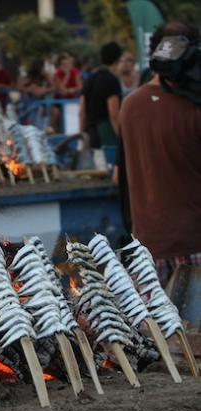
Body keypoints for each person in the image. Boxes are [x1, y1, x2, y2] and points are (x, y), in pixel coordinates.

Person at [118, 22, 201, 284]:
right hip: (192, 247)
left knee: (159, 327)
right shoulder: (193, 110)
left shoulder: (130, 104)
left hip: (146, 250)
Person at [80, 42, 123, 149]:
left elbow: (82, 111)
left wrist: (81, 135)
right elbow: (113, 113)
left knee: (97, 164)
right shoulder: (112, 80)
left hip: (91, 134)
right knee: (108, 165)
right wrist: (122, 138)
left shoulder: (90, 79)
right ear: (117, 60)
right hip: (106, 135)